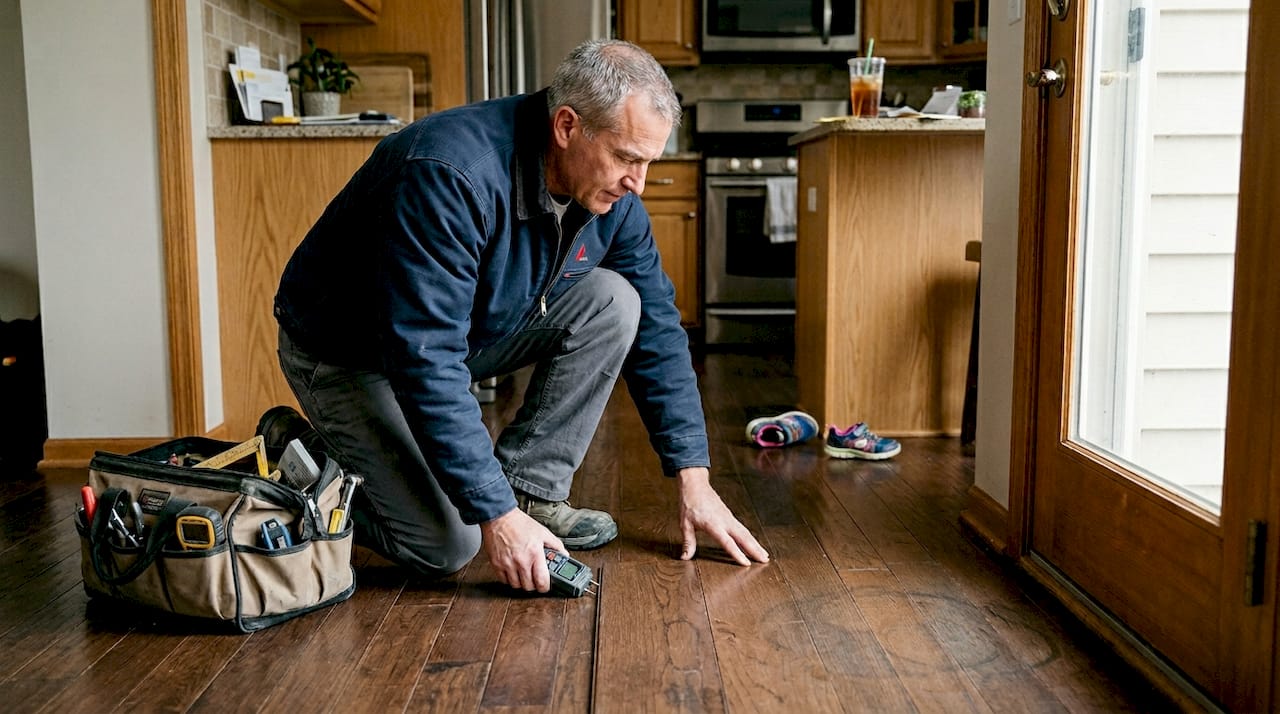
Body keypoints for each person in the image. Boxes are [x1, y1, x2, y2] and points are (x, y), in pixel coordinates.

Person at [269, 39, 768, 594]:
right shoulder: (449, 174)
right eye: (628, 158)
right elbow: (426, 359)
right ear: (567, 126)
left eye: (649, 162)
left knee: (615, 300)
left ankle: (530, 492)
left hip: (463, 334)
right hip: (346, 353)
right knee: (447, 544)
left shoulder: (612, 197)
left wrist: (694, 478)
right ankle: (297, 462)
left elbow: (657, 326)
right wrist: (495, 517)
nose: (638, 183)